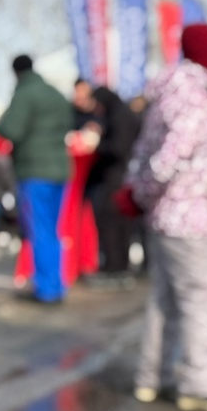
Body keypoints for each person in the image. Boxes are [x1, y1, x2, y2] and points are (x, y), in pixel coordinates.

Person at [125, 22, 207, 411]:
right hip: (190, 217)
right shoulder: (195, 100)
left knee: (166, 300)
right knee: (198, 298)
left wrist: (138, 193)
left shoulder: (171, 94)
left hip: (169, 216)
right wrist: (142, 191)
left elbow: (145, 150)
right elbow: (167, 158)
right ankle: (198, 383)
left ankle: (151, 377)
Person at [0, 54, 75, 304]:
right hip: (60, 170)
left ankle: (46, 290)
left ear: (16, 72)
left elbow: (10, 129)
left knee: (39, 230)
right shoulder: (55, 93)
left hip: (34, 171)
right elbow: (69, 123)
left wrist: (0, 122)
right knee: (52, 229)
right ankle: (56, 284)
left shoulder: (24, 94)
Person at [82, 85, 141, 285]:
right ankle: (118, 266)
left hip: (116, 178)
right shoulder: (121, 113)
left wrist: (96, 145)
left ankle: (115, 267)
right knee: (120, 224)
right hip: (123, 177)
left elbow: (118, 148)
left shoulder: (120, 116)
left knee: (111, 222)